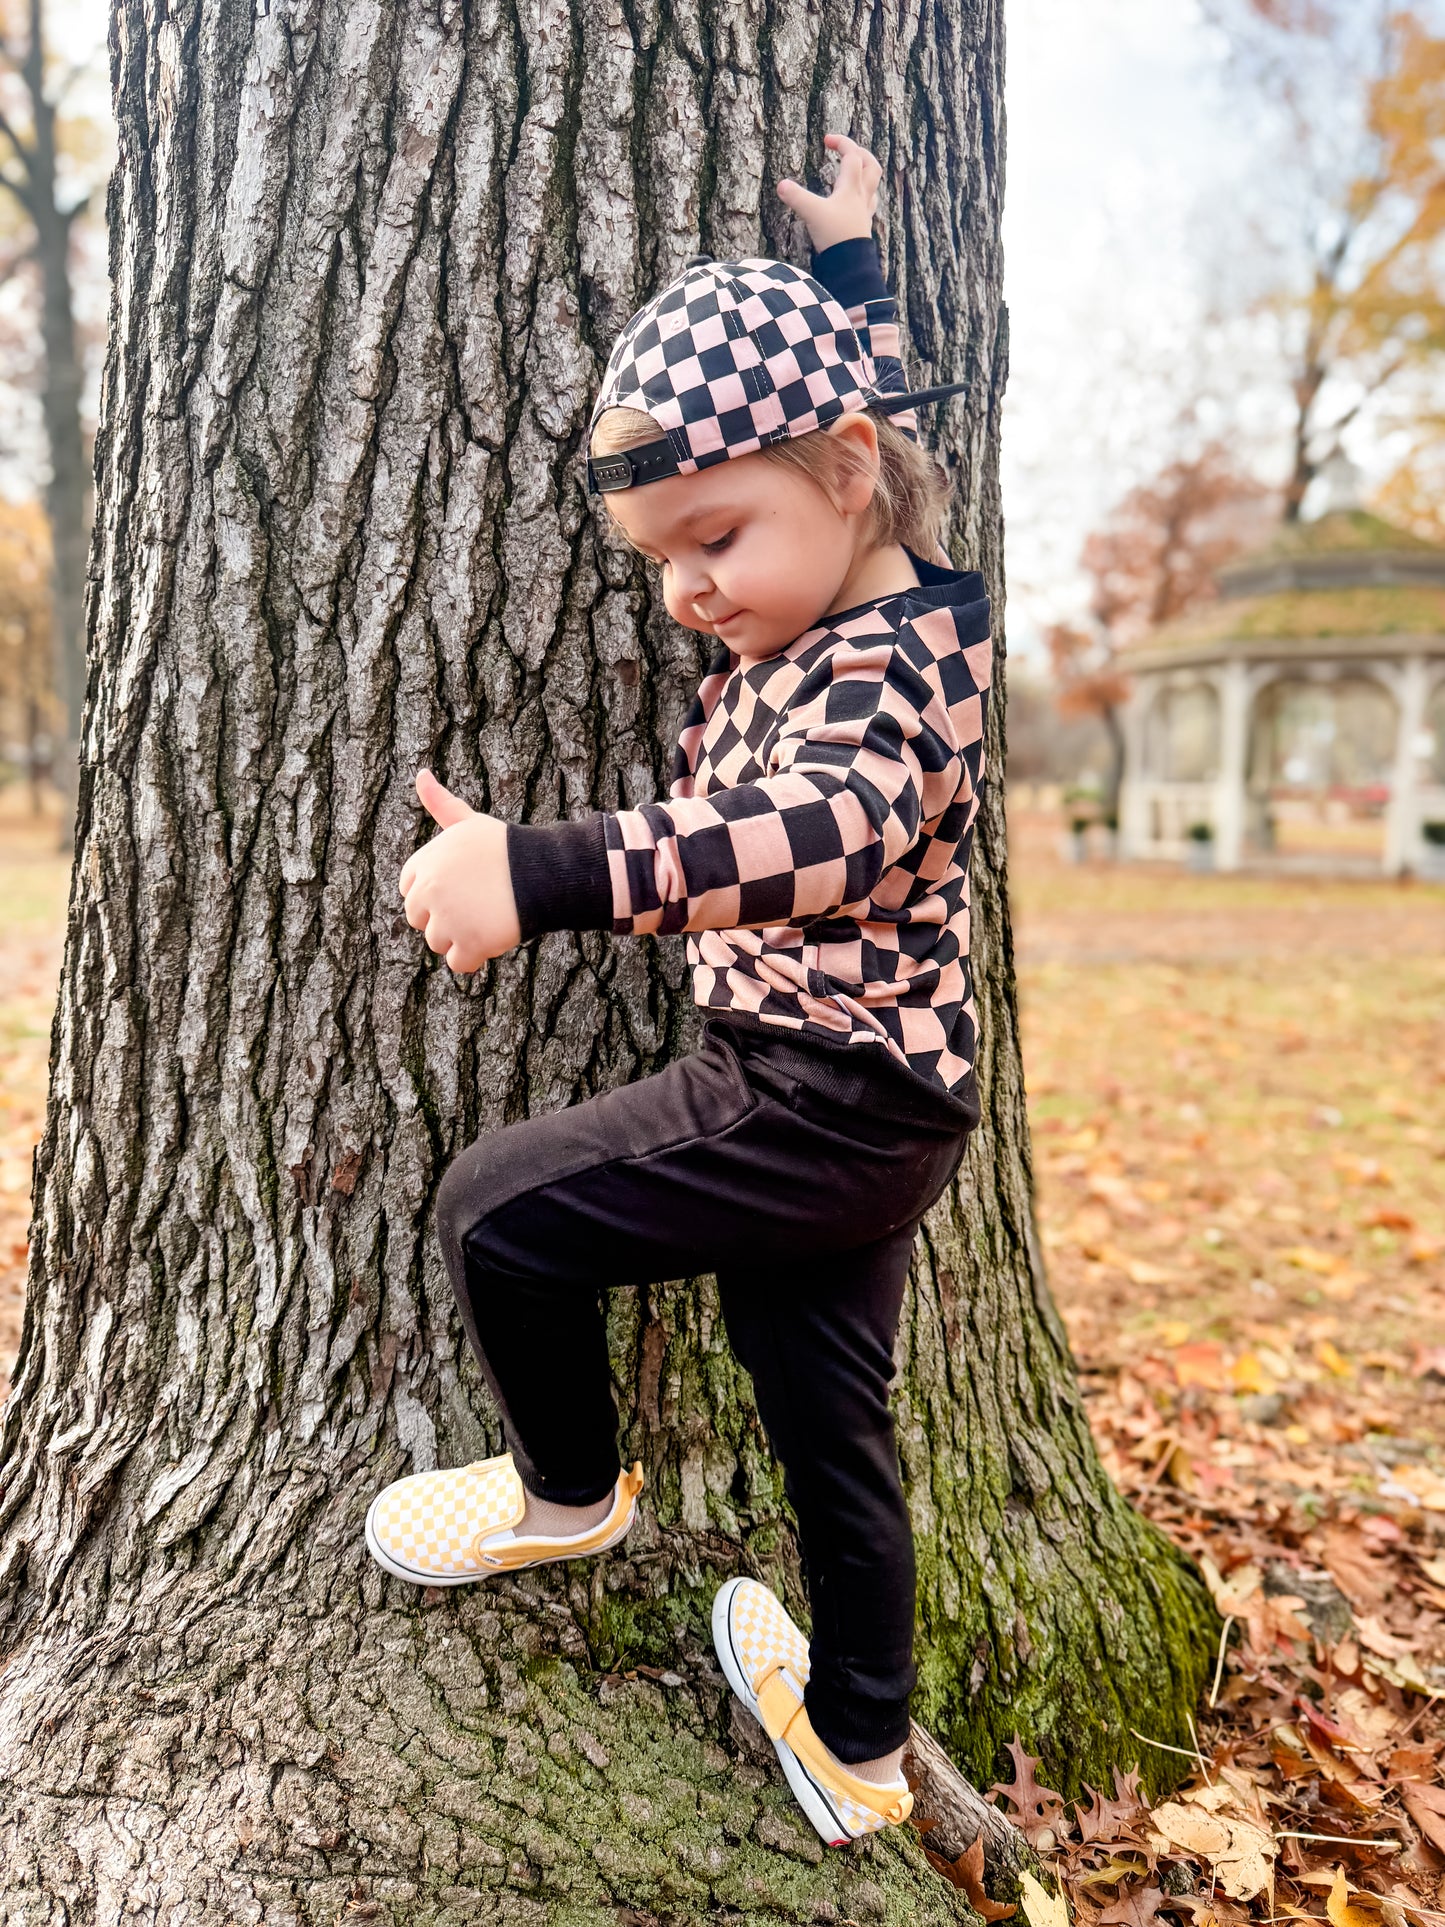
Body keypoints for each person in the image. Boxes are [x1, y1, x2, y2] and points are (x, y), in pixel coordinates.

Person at [364, 132, 993, 1850]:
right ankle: (861, 1750)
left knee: (497, 1217)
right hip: (882, 1100)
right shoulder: (894, 592)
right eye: (658, 559)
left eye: (713, 537)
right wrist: (850, 271)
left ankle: (570, 1493)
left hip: (813, 1089)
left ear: (847, 478)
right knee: (823, 1428)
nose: (685, 591)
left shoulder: (889, 681)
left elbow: (811, 836)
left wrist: (539, 873)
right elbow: (861, 406)